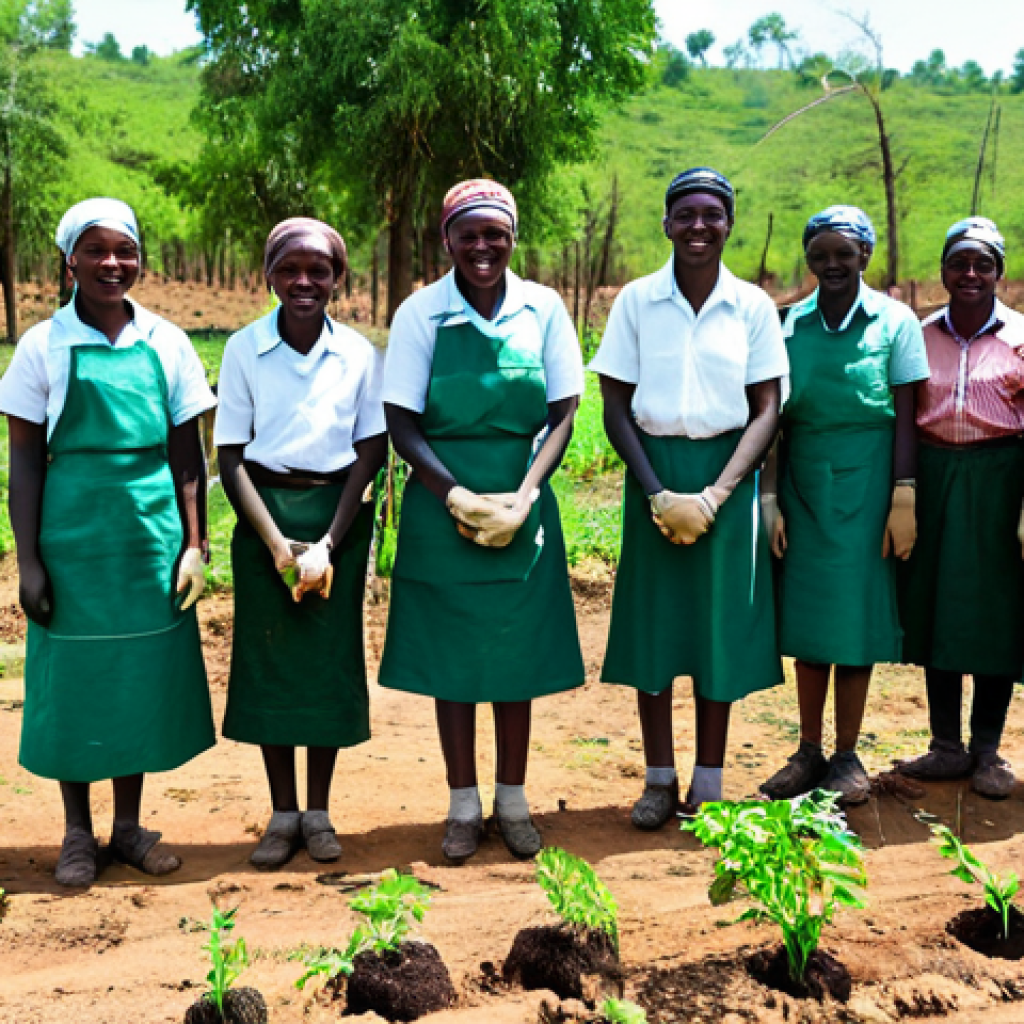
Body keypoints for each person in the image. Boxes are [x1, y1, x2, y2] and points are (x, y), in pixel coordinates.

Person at [0, 198, 216, 886]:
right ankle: (75, 833)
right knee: (73, 683)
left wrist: (195, 543)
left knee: (137, 680)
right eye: (96, 250)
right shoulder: (43, 345)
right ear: (70, 262)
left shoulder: (166, 341)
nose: (112, 263)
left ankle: (127, 828)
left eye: (125, 250)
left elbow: (189, 453)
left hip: (149, 536)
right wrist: (29, 559)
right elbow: (26, 460)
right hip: (73, 539)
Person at [379, 179, 585, 864]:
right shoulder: (420, 314)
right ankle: (462, 802)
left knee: (516, 658)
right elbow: (401, 423)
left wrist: (525, 495)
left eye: (494, 232)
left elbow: (563, 413)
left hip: (521, 504)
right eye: (467, 233)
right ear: (447, 241)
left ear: (512, 238)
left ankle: (513, 799)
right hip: (446, 508)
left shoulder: (544, 309)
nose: (482, 245)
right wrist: (453, 495)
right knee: (453, 662)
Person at [591, 167, 788, 827]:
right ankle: (656, 778)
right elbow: (615, 407)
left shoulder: (754, 307)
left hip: (727, 476)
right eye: (687, 214)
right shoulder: (636, 303)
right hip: (653, 467)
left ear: (730, 223)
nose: (700, 226)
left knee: (718, 629)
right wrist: (656, 492)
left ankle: (708, 781)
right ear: (667, 223)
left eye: (714, 214)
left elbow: (766, 410)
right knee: (654, 627)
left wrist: (716, 494)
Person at [215, 217, 387, 868]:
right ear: (269, 275)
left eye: (319, 270)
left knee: (325, 664)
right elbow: (230, 454)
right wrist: (277, 546)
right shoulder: (243, 351)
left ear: (339, 279)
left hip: (335, 513)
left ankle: (318, 811)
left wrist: (330, 543)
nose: (304, 281)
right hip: (265, 515)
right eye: (289, 268)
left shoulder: (358, 356)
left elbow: (371, 446)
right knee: (271, 667)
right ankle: (281, 812)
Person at [758, 206, 930, 806]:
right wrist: (771, 497)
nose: (832, 264)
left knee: (854, 619)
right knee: (810, 619)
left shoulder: (896, 321)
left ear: (866, 256)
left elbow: (908, 412)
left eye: (844, 254)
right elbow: (774, 420)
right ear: (808, 260)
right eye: (820, 255)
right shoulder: (788, 325)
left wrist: (903, 494)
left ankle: (848, 754)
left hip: (870, 482)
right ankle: (808, 751)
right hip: (806, 481)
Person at [897, 217, 1024, 799]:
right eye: (959, 263)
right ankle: (946, 745)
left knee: (996, 610)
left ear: (999, 271)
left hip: (1001, 476)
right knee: (938, 604)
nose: (970, 274)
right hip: (934, 473)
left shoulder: (1020, 337)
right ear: (943, 271)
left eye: (983, 264)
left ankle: (989, 749)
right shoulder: (917, 335)